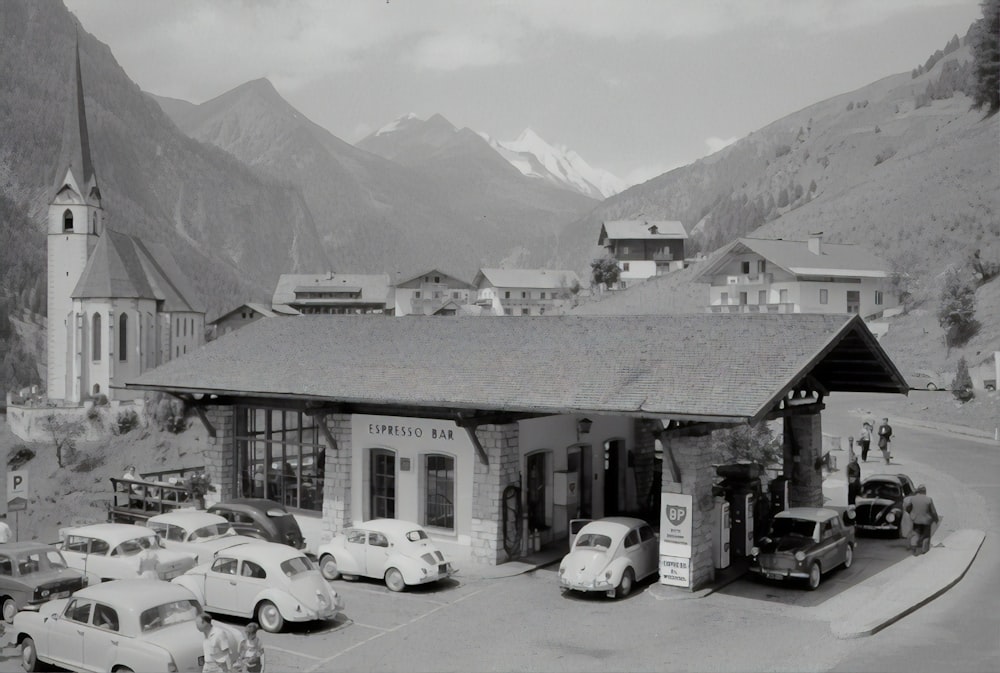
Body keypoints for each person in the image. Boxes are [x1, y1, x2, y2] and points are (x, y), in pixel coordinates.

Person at [905, 484, 939, 555]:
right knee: (926, 535)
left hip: (916, 520)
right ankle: (924, 550)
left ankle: (914, 547)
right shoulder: (929, 499)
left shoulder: (913, 499)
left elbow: (907, 508)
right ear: (924, 491)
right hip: (926, 521)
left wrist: (912, 514)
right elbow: (933, 511)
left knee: (915, 534)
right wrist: (936, 519)